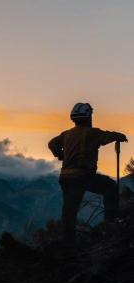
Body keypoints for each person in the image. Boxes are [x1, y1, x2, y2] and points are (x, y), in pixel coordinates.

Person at [48, 103, 128, 243]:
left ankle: (68, 243)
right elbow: (107, 136)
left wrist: (61, 155)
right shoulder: (92, 133)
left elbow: (52, 143)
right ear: (87, 117)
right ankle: (111, 222)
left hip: (66, 177)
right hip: (83, 176)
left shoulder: (66, 135)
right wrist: (120, 136)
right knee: (110, 187)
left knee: (69, 211)